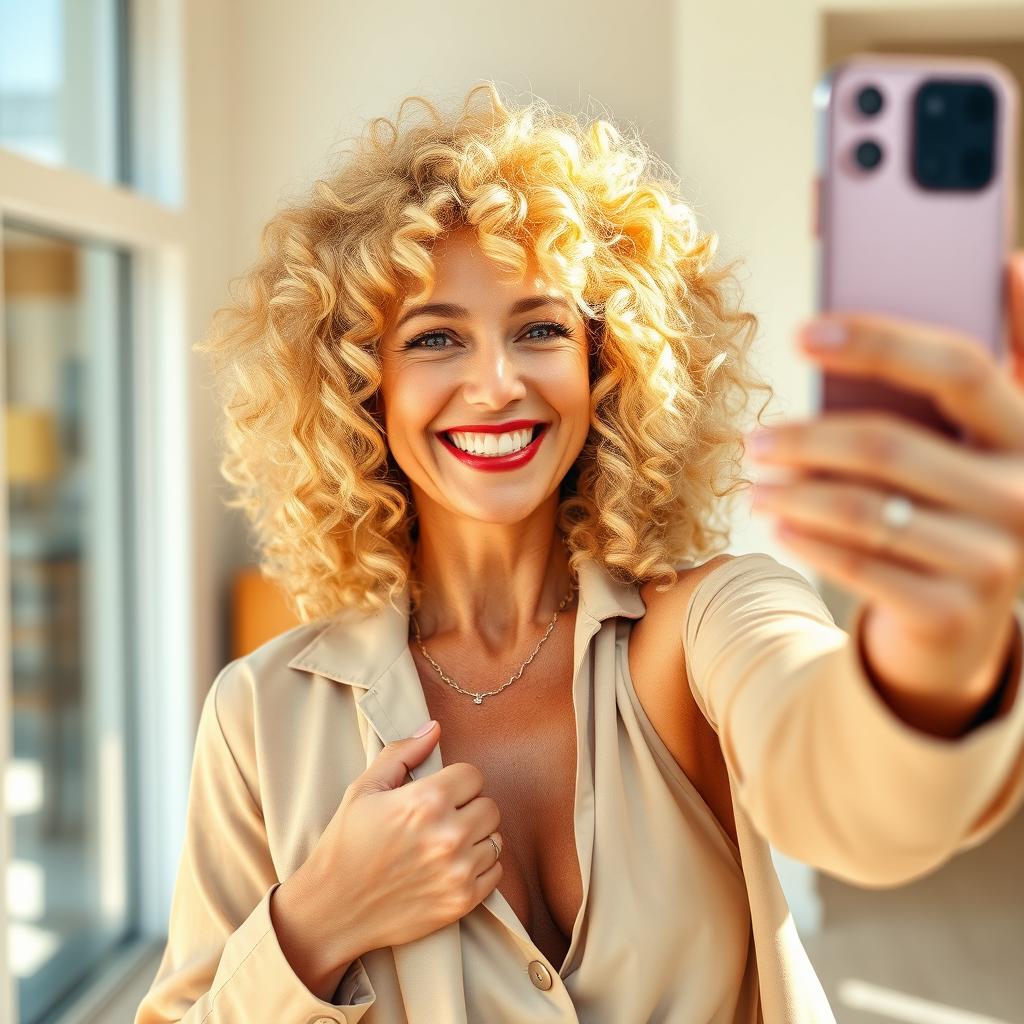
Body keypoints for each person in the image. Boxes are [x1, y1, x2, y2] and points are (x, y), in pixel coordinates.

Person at [135, 82, 1024, 1023]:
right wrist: (316, 924)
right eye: (436, 337)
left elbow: (859, 801)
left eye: (541, 329)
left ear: (606, 368)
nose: (496, 382)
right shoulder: (259, 716)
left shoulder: (707, 624)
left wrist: (938, 639)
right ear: (364, 390)